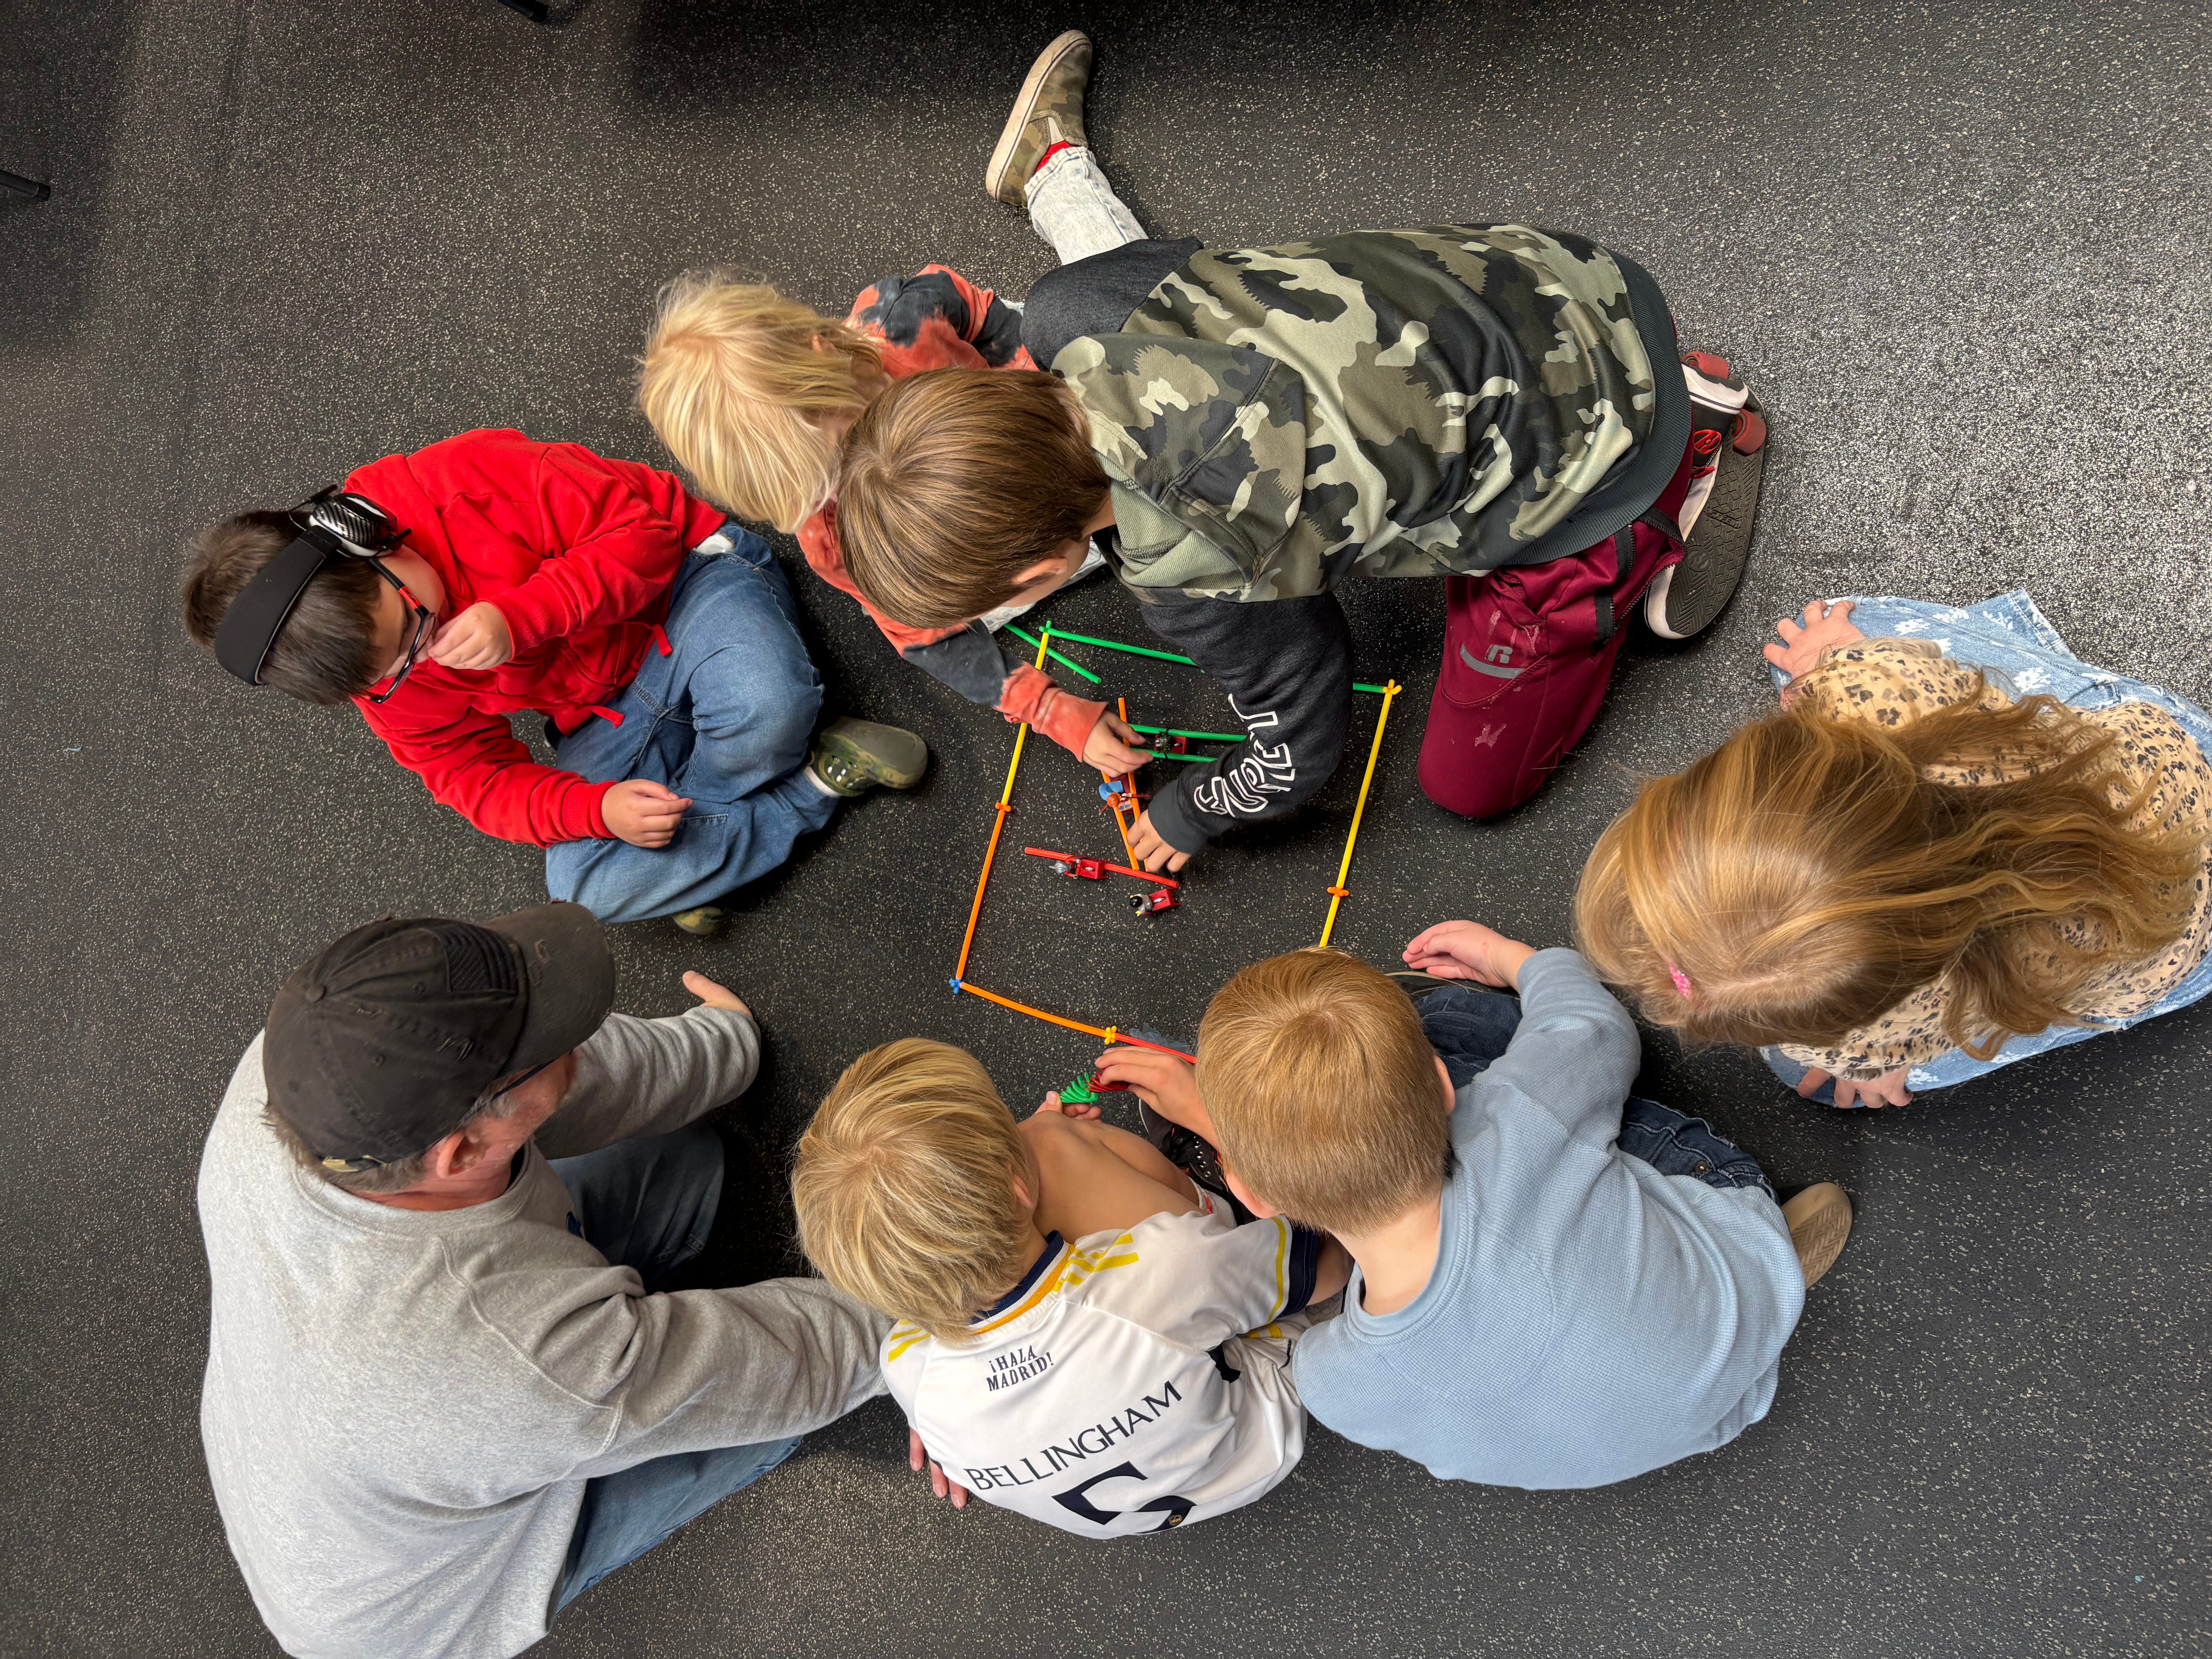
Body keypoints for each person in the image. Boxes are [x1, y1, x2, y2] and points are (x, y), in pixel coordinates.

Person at [831, 221, 1772, 872]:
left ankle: (1680, 468)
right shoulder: (1070, 307)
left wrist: (1192, 811)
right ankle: (1655, 392)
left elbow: (1300, 747)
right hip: (1546, 279)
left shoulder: (1200, 578)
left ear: (1040, 575)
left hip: (1596, 454)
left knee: (1469, 785)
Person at [197, 902, 890, 1659]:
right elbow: (801, 1360)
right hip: (414, 1602)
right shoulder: (518, 1373)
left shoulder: (308, 1070)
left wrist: (728, 1044)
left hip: (374, 1422)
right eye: (548, 1043)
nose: (579, 1035)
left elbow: (578, 1080)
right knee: (775, 1404)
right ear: (460, 1155)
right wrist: (966, 1312)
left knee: (691, 1164)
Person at [1094, 936, 1852, 1489]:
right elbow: (1594, 1026)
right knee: (1459, 1018)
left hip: (1662, 1439)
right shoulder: (1513, 1116)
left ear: (1256, 1199)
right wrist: (1520, 961)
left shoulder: (1329, 1383)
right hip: (1720, 1344)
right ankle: (1756, 1262)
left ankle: (1725, 1297)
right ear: (1444, 1091)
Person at [635, 29, 1165, 781]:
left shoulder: (900, 322)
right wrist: (1048, 708)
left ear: (830, 357)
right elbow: (923, 631)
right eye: (814, 491)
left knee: (1135, 322)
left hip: (1041, 429)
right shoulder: (833, 534)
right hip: (999, 528)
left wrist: (1036, 396)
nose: (845, 483)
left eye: (840, 451)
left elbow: (984, 314)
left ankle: (1052, 167)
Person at [180, 427, 925, 936]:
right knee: (582, 890)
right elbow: (476, 783)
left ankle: (705, 858)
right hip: (604, 710)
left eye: (411, 628)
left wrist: (522, 616)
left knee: (767, 706)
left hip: (687, 587)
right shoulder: (381, 677)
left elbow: (645, 533)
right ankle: (812, 785)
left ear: (365, 536)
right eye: (392, 672)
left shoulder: (463, 481)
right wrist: (600, 810)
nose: (425, 656)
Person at [1575, 591, 2212, 1107]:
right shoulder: (1886, 700)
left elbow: (1856, 1046)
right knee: (1836, 629)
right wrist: (1831, 672)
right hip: (2162, 775)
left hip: (2159, 962)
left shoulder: (1866, 1035)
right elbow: (1857, 678)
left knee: (1802, 1076)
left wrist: (1869, 1064)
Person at [789, 1037, 1348, 1536]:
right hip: (1262, 1430)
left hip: (1154, 1502)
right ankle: (1209, 1179)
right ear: (1017, 1187)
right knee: (1081, 1163)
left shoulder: (908, 1368)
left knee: (1057, 1167)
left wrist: (940, 1426)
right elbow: (1334, 1263)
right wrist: (1210, 1122)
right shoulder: (1164, 1269)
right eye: (1014, 1132)